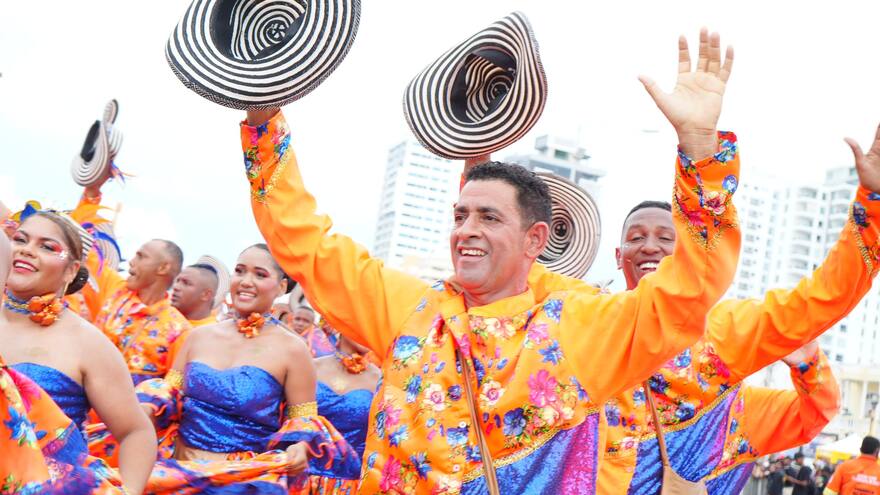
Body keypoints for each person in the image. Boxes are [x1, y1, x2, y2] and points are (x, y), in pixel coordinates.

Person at [240, 28, 740, 493]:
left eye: (489, 218)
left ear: (534, 239)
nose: (467, 231)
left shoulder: (581, 323)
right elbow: (302, 241)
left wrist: (701, 153)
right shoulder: (407, 308)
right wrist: (263, 122)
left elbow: (691, 288)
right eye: (461, 215)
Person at [560, 117, 880, 494]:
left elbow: (825, 305)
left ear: (687, 255)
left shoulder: (723, 338)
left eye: (666, 237)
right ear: (619, 254)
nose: (649, 246)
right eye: (636, 237)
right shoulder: (581, 322)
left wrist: (872, 207)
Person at [136, 243, 357, 493]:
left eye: (260, 275)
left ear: (282, 286)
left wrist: (299, 447)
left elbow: (302, 420)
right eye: (240, 271)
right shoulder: (198, 336)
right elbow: (168, 394)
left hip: (241, 483)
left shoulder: (294, 350)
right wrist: (142, 409)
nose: (246, 281)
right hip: (178, 475)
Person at [0, 211, 155, 493]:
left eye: (47, 247)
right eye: (20, 239)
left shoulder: (88, 343)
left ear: (71, 270)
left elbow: (137, 432)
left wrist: (130, 491)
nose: (27, 250)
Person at [76, 179, 191, 384]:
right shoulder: (114, 291)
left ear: (163, 268)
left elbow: (173, 388)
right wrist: (92, 192)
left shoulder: (179, 330)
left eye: (141, 256)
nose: (131, 261)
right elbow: (84, 248)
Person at [314, 332, 382, 492]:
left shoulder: (381, 380)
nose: (365, 329)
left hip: (349, 485)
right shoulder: (311, 367)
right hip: (302, 479)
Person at [171, 263, 219, 327]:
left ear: (206, 295)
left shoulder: (211, 333)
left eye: (186, 283)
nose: (175, 287)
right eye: (177, 281)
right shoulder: (162, 318)